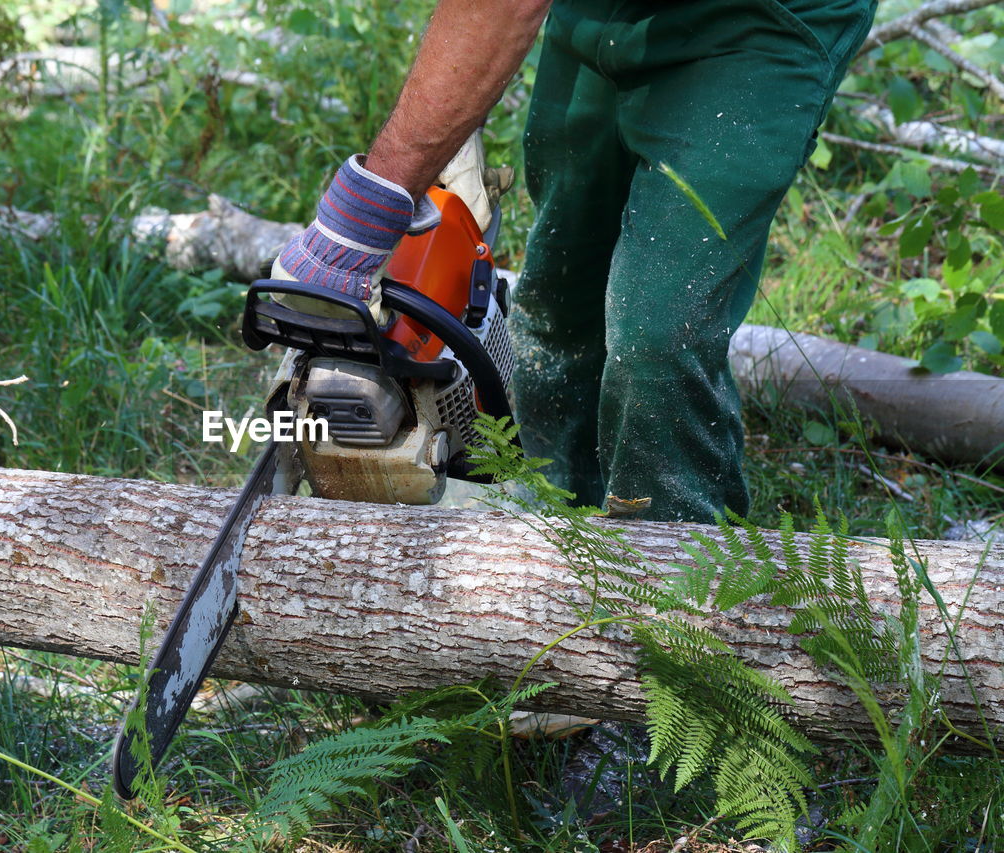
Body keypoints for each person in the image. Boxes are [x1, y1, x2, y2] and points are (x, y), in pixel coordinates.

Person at [273, 0, 877, 523]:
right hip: (601, 14)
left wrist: (364, 211)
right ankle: (557, 523)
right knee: (563, 301)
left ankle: (683, 589)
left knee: (656, 334)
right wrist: (452, 111)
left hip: (759, 22)